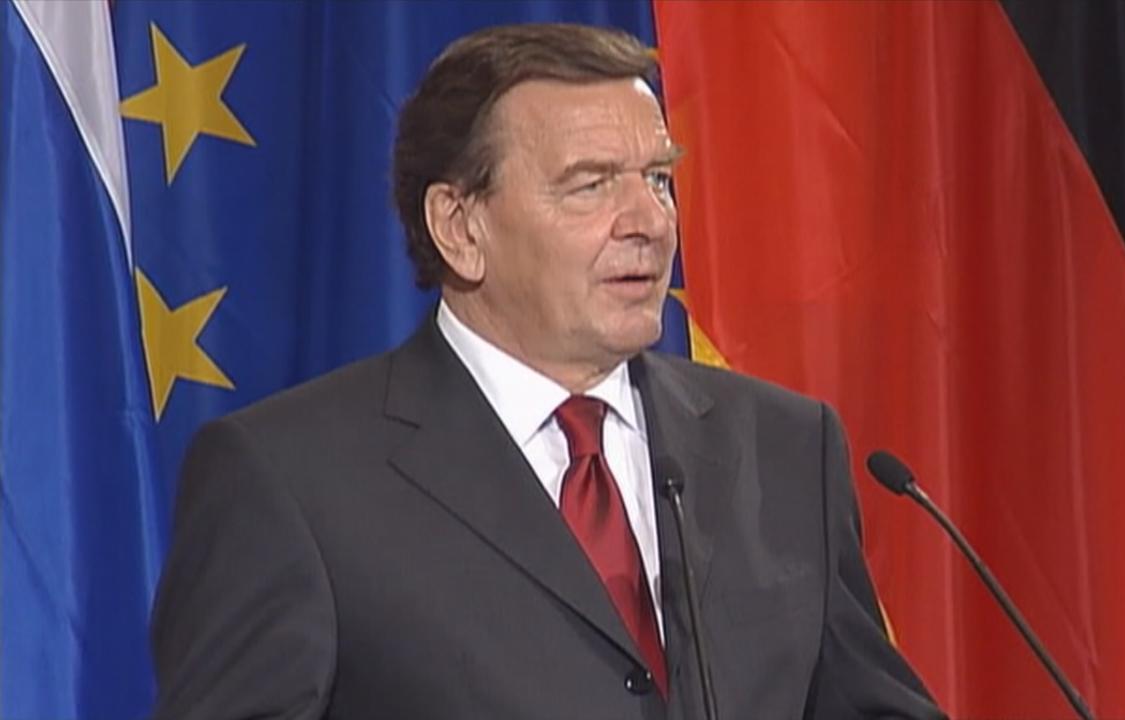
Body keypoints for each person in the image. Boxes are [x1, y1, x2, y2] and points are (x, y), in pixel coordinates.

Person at [149, 23, 943, 720]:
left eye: (658, 178)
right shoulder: (293, 481)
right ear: (460, 228)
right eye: (591, 185)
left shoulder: (785, 445)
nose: (650, 221)